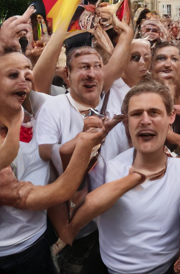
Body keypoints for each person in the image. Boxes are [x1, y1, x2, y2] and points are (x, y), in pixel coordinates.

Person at [53, 81, 180, 274]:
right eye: (136, 114)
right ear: (126, 122)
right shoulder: (108, 169)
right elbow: (68, 184)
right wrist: (87, 140)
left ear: (171, 117)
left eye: (154, 112)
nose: (145, 120)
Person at [35, 21, 133, 273]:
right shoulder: (53, 107)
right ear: (67, 75)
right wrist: (86, 138)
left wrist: (126, 33)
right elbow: (46, 152)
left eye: (97, 67)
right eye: (83, 68)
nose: (91, 73)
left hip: (116, 220)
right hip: (75, 233)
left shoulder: (117, 103)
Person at [0, 51, 106, 274]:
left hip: (40, 237)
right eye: (12, 74)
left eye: (27, 72)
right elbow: (59, 192)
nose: (25, 77)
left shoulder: (33, 110)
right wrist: (84, 144)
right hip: (10, 254)